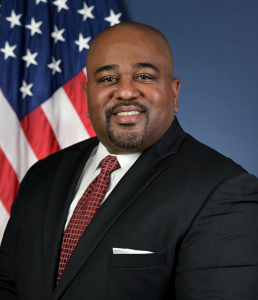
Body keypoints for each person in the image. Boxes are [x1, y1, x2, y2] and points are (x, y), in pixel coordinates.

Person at [0, 21, 258, 300]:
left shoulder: (224, 191)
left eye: (144, 76)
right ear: (87, 96)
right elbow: (7, 285)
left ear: (174, 92)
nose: (125, 92)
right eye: (108, 78)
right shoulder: (43, 174)